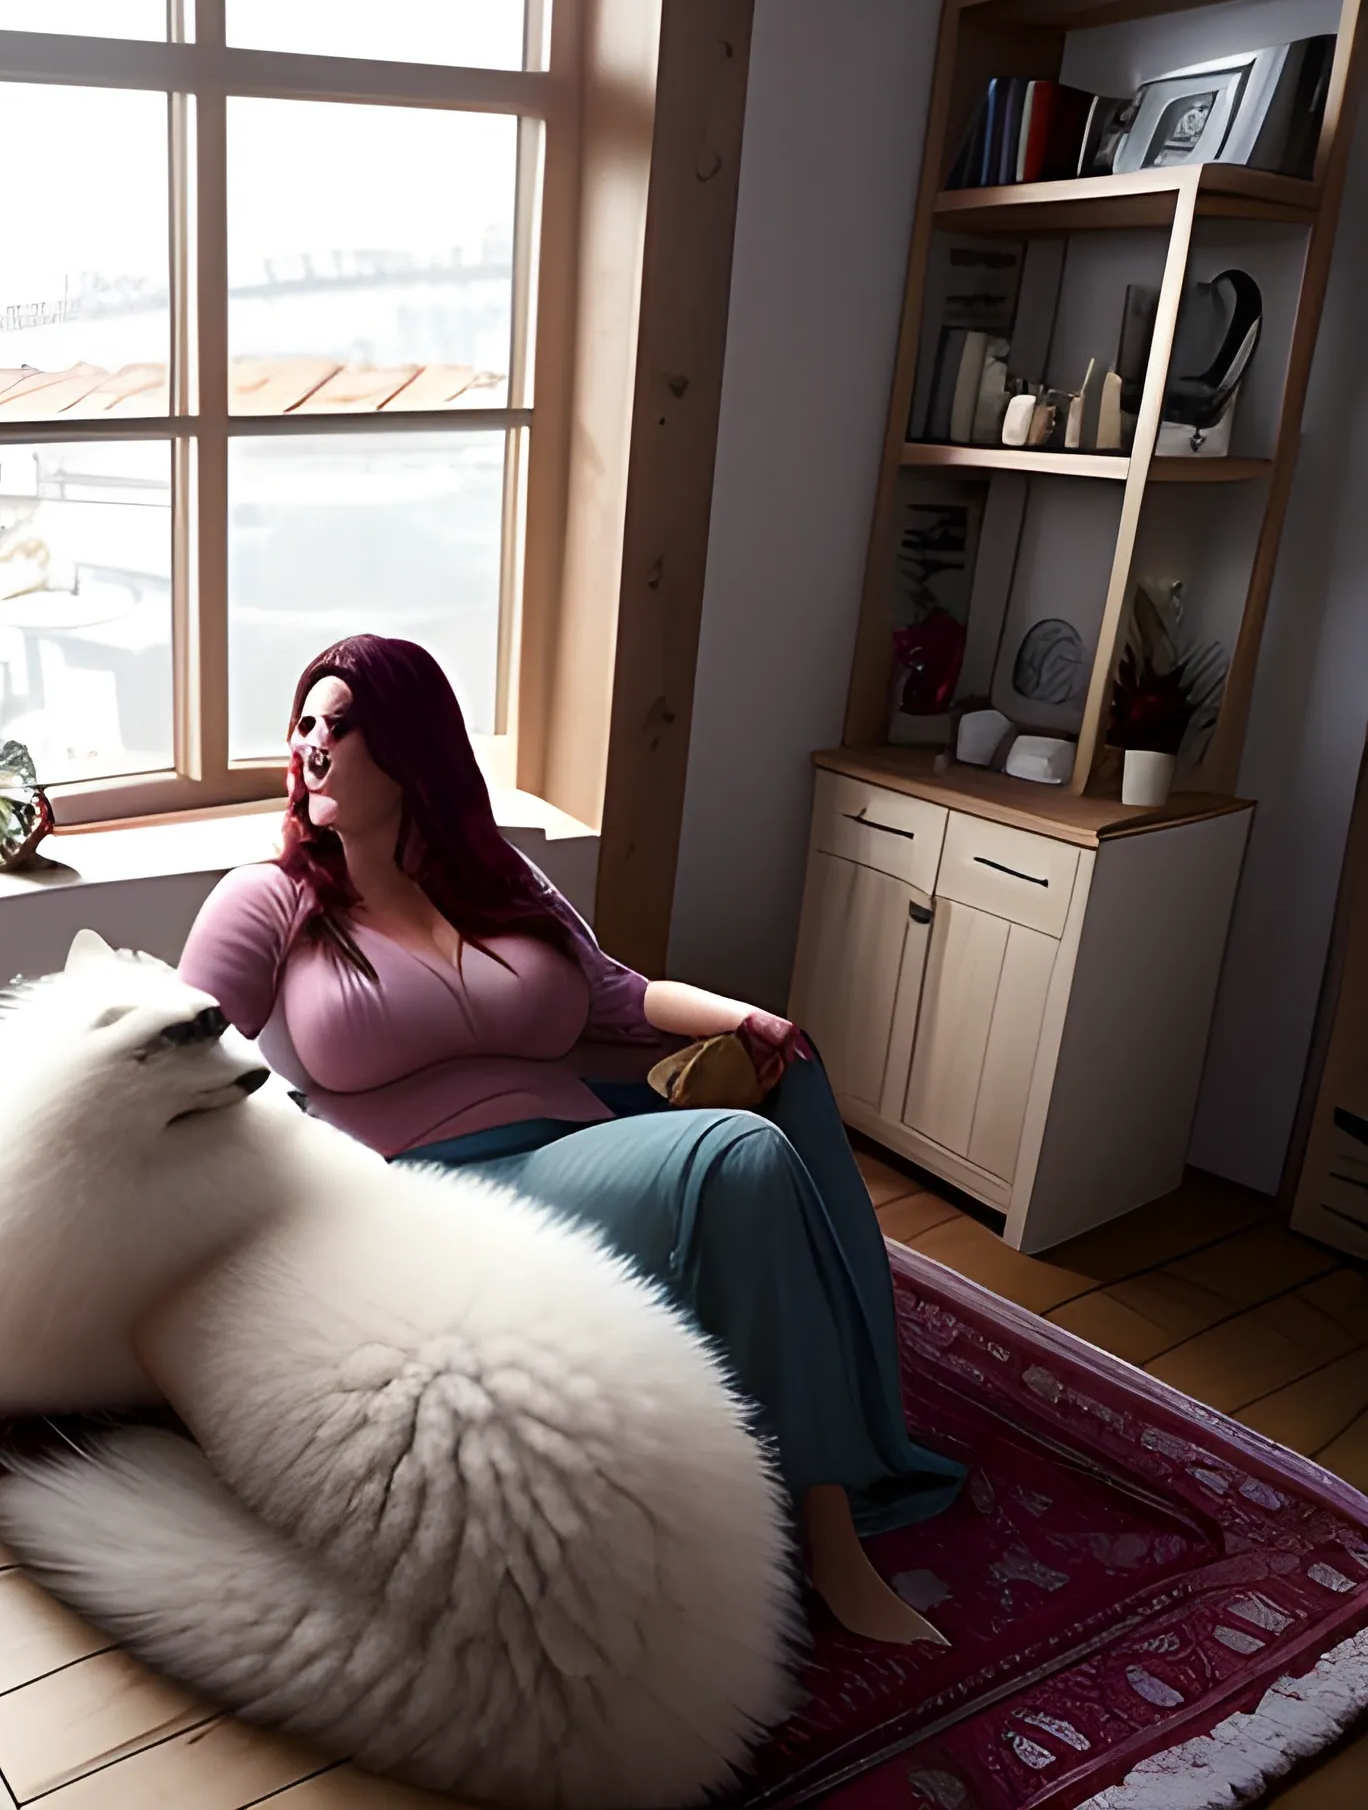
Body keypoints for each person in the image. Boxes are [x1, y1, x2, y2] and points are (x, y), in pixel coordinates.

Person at [178, 634, 964, 1645]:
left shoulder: (493, 874)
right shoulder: (273, 896)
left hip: (568, 1141)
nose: (308, 747)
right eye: (302, 724)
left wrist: (746, 1018)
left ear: (410, 747)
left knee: (788, 1077)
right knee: (740, 1155)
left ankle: (852, 1421)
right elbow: (180, 1037)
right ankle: (820, 1529)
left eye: (339, 724)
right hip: (427, 1186)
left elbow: (617, 994)